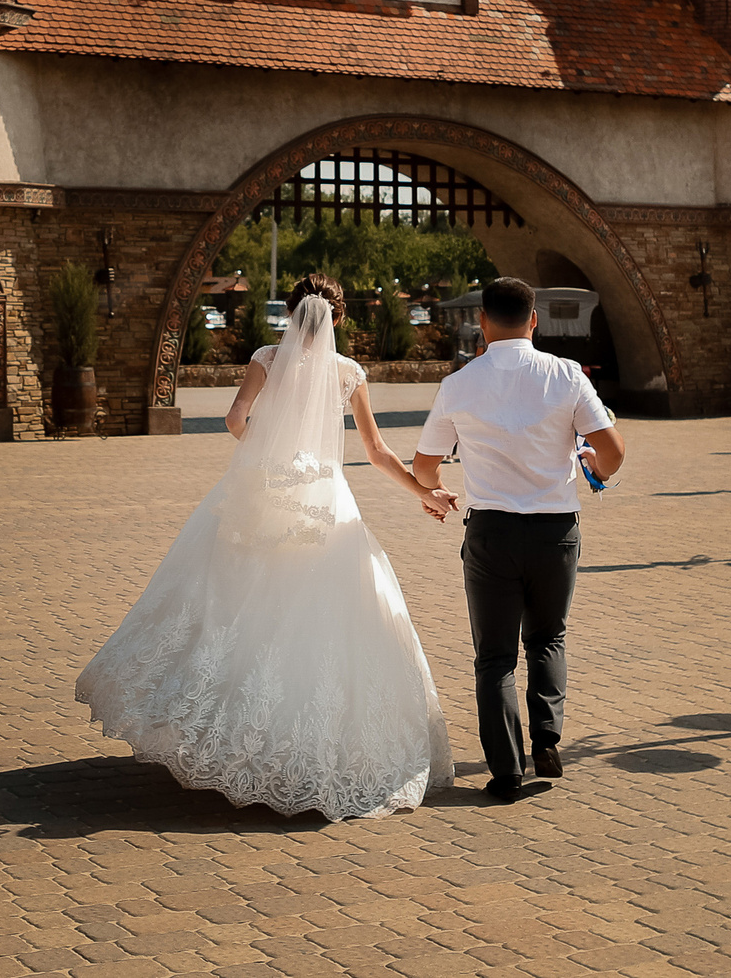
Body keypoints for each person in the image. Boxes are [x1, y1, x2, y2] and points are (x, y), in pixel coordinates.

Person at [76, 274, 458, 820]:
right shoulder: (348, 373)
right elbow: (376, 451)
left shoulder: (266, 357)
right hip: (324, 498)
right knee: (322, 614)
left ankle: (224, 737)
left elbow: (235, 419)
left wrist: (269, 455)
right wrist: (425, 490)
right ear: (337, 319)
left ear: (292, 313)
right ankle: (300, 752)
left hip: (260, 491)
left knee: (232, 605)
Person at [412, 276, 626, 804]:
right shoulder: (567, 376)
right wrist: (593, 466)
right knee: (548, 637)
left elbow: (423, 466)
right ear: (535, 321)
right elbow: (613, 451)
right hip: (556, 530)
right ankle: (547, 738)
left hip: (491, 532)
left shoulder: (459, 385)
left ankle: (506, 771)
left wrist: (436, 492)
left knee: (495, 657)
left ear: (481, 324)